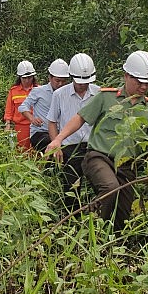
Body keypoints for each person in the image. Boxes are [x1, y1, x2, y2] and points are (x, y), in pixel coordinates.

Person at [47, 51, 148, 231]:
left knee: (123, 212)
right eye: (139, 81)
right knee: (111, 187)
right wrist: (58, 139)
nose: (144, 87)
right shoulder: (105, 97)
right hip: (99, 157)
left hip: (127, 165)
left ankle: (112, 247)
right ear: (126, 76)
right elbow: (80, 118)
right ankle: (89, 226)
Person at [46, 53, 100, 212]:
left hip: (93, 147)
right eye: (79, 81)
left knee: (97, 186)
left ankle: (97, 217)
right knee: (71, 188)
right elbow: (52, 122)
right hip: (70, 147)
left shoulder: (99, 93)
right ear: (72, 76)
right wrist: (56, 144)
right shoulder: (59, 95)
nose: (83, 85)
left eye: (86, 81)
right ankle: (72, 218)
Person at [18, 59, 69, 152]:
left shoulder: (68, 93)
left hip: (60, 133)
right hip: (40, 133)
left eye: (63, 81)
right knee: (50, 145)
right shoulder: (38, 91)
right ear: (50, 78)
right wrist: (32, 119)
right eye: (57, 80)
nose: (60, 84)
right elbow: (23, 107)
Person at [4, 60, 38, 151]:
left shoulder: (39, 90)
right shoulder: (13, 91)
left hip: (36, 127)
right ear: (20, 77)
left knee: (37, 153)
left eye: (29, 77)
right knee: (21, 152)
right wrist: (7, 124)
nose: (27, 80)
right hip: (20, 128)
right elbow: (9, 110)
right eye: (24, 78)